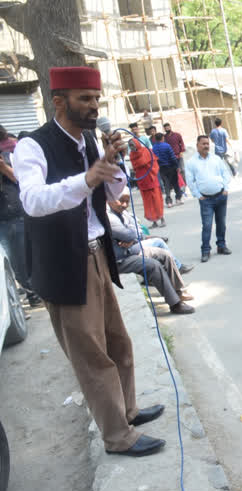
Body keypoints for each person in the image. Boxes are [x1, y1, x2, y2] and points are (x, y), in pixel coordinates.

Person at [14, 66, 165, 457]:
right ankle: (117, 437)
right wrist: (86, 179)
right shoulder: (33, 146)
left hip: (99, 254)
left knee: (119, 343)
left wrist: (115, 163)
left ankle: (127, 412)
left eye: (97, 99)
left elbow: (112, 190)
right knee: (92, 357)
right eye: (85, 99)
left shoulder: (92, 143)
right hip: (64, 266)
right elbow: (32, 201)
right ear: (59, 102)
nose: (94, 106)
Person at [107, 196, 194, 315]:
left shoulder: (122, 212)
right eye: (120, 201)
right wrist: (131, 236)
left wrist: (131, 237)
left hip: (130, 249)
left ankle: (178, 293)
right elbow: (129, 234)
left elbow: (135, 230)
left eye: (126, 202)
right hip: (119, 259)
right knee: (153, 265)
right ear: (109, 199)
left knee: (164, 255)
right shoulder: (109, 215)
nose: (124, 205)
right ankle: (175, 304)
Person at [0, 142, 40, 306]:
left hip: (18, 217)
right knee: (10, 264)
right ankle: (17, 303)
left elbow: (21, 180)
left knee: (25, 259)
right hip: (2, 224)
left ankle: (34, 295)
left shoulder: (10, 158)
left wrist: (3, 167)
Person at [186, 135, 232, 262]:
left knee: (221, 223)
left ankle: (221, 246)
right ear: (197, 145)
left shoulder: (216, 159)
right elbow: (190, 181)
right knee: (207, 225)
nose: (206, 146)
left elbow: (226, 174)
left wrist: (226, 188)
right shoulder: (191, 162)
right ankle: (205, 250)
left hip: (221, 196)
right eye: (203, 144)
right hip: (206, 200)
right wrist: (198, 195)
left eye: (207, 143)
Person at [127, 139, 165, 228]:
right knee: (148, 203)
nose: (132, 147)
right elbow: (135, 166)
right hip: (142, 181)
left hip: (151, 179)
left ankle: (162, 218)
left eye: (133, 145)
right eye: (130, 146)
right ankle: (154, 221)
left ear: (137, 144)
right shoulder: (132, 155)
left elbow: (154, 163)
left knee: (157, 200)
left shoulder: (146, 151)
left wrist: (152, 173)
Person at [152, 133, 182, 207]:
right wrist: (177, 165)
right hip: (171, 166)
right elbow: (172, 156)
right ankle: (178, 198)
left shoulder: (154, 148)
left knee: (166, 184)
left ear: (155, 139)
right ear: (162, 138)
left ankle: (169, 201)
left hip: (161, 168)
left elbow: (154, 158)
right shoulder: (166, 145)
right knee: (175, 183)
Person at [162, 123, 186, 191]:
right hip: (170, 157)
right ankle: (177, 185)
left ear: (170, 127)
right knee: (174, 171)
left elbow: (182, 143)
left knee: (182, 170)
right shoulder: (164, 137)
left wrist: (181, 151)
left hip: (179, 155)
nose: (167, 129)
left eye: (168, 127)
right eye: (165, 128)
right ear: (164, 129)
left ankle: (185, 184)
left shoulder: (177, 135)